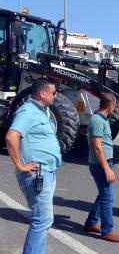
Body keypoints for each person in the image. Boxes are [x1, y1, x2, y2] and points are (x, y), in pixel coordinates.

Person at [5, 78, 61, 254]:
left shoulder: (43, 111)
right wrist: (20, 165)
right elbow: (11, 136)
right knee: (42, 220)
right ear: (42, 93)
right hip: (37, 173)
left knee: (44, 220)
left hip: (46, 171)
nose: (56, 95)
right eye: (53, 92)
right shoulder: (28, 111)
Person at [83, 92, 119, 243]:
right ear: (111, 105)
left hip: (103, 162)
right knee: (108, 197)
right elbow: (97, 147)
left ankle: (91, 222)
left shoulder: (102, 119)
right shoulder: (98, 121)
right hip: (100, 164)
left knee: (103, 195)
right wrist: (107, 168)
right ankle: (107, 230)